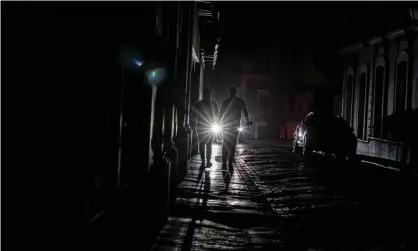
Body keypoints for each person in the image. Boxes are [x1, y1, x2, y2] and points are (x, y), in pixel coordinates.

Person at [219, 86, 253, 167]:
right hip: (234, 126)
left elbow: (221, 113)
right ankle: (230, 160)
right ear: (236, 92)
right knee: (232, 144)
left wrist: (218, 122)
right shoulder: (240, 101)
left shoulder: (225, 101)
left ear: (229, 92)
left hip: (226, 125)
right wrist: (248, 121)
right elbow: (245, 112)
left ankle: (224, 160)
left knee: (226, 142)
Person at [191, 88, 219, 167]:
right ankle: (207, 161)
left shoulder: (198, 104)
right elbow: (218, 114)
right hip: (209, 125)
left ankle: (204, 161)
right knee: (208, 144)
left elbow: (194, 115)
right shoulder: (213, 103)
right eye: (208, 93)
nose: (208, 95)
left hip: (201, 126)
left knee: (202, 144)